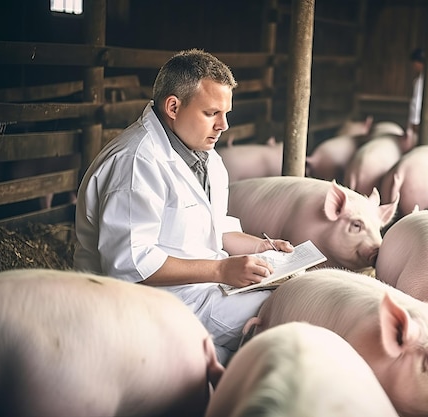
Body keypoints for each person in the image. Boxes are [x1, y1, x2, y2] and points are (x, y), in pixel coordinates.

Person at [73, 49, 293, 365]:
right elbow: (131, 264)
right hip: (150, 303)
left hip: (202, 289)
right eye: (212, 113)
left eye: (226, 113)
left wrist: (263, 247)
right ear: (173, 107)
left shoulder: (206, 158)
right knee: (281, 318)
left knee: (287, 301)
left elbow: (217, 229)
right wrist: (221, 269)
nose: (224, 126)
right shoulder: (136, 163)